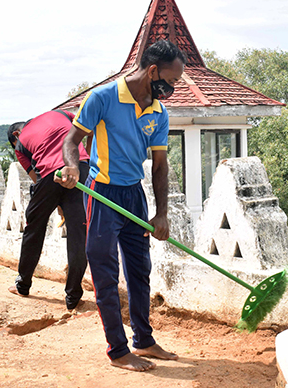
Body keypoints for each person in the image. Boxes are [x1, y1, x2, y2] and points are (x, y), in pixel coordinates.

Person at [56, 39, 185, 372]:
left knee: (140, 271)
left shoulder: (158, 111)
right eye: (171, 81)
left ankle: (144, 340)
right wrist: (72, 167)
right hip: (102, 195)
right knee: (106, 273)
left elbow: (159, 165)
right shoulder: (103, 98)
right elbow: (72, 142)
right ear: (153, 70)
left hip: (134, 196)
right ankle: (118, 349)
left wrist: (161, 213)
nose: (172, 88)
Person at [6, 109, 91, 310]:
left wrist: (56, 202)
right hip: (81, 167)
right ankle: (73, 297)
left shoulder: (20, 144)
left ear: (16, 135)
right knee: (79, 233)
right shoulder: (61, 113)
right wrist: (86, 158)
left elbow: (37, 179)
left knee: (34, 228)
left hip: (51, 174)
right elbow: (88, 129)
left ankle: (23, 284)